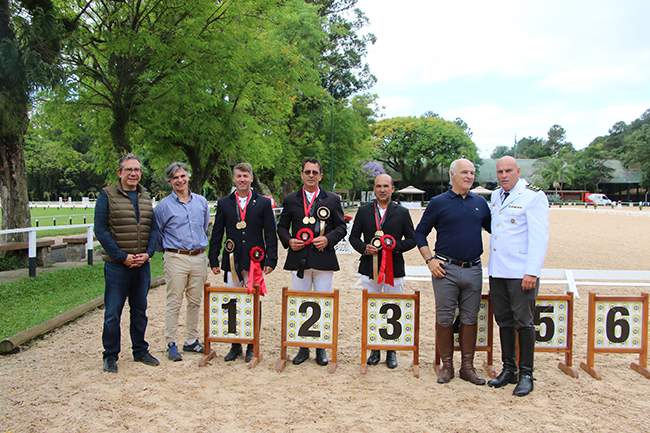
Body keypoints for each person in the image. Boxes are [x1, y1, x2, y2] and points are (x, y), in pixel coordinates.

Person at [414, 158, 491, 385]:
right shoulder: (438, 203)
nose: (469, 176)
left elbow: (495, 229)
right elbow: (420, 233)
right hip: (445, 270)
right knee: (445, 318)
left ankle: (467, 367)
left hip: (473, 269)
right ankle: (446, 366)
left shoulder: (481, 203)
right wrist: (429, 260)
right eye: (464, 172)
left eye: (472, 173)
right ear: (452, 174)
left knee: (470, 318)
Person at [487, 156, 549, 397]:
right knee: (503, 320)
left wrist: (532, 271)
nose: (504, 175)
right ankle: (509, 369)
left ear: (518, 171)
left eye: (508, 170)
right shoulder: (496, 195)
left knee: (524, 322)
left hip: (521, 272)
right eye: (500, 171)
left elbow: (539, 237)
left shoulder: (533, 196)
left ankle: (526, 374)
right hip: (498, 270)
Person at [277, 158, 347, 366]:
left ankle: (321, 347)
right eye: (307, 172)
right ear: (301, 175)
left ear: (320, 176)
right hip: (298, 258)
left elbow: (341, 227)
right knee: (301, 303)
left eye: (315, 172)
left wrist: (328, 239)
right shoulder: (291, 199)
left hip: (323, 258)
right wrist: (289, 240)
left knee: (323, 302)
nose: (311, 176)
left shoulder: (332, 199)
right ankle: (303, 347)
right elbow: (281, 227)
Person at [95, 154, 159, 373]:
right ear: (119, 172)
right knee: (113, 312)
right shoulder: (107, 195)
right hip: (117, 265)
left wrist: (148, 254)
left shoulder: (145, 196)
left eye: (137, 170)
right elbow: (101, 229)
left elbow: (152, 228)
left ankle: (140, 350)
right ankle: (110, 355)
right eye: (129, 169)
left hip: (142, 264)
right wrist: (121, 256)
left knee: (139, 310)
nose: (133, 173)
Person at [209, 162, 278, 362]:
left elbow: (270, 233)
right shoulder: (224, 203)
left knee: (253, 301)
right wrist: (213, 258)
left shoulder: (263, 203)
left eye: (245, 176)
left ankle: (251, 344)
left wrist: (271, 259)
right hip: (231, 260)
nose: (242, 180)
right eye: (239, 176)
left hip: (255, 261)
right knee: (232, 302)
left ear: (251, 178)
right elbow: (217, 233)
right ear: (234, 178)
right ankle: (235, 344)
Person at [350, 173, 416, 369]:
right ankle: (374, 349)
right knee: (373, 309)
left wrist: (394, 247)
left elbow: (412, 239)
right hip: (369, 267)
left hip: (394, 267)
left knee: (393, 308)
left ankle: (391, 350)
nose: (382, 189)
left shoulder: (402, 212)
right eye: (378, 186)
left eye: (386, 186)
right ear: (374, 189)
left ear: (392, 189)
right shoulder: (364, 211)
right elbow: (353, 237)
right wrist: (364, 248)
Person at [154, 162, 210, 362]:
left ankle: (191, 340)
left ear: (188, 177)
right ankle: (171, 342)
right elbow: (158, 233)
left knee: (194, 301)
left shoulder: (201, 202)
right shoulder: (163, 207)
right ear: (170, 181)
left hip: (198, 256)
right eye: (175, 178)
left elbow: (204, 226)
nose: (180, 180)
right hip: (176, 256)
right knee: (174, 300)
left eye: (182, 176)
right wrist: (170, 251)